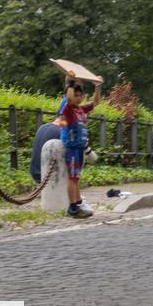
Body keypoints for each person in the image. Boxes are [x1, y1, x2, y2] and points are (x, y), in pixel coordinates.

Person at [58, 78, 102, 218]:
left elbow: (96, 102)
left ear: (83, 96)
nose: (77, 98)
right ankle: (72, 208)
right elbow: (69, 99)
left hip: (79, 148)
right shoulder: (69, 108)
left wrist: (97, 87)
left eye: (79, 95)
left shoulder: (81, 110)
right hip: (71, 148)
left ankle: (78, 203)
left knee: (76, 178)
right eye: (75, 95)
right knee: (72, 177)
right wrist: (70, 84)